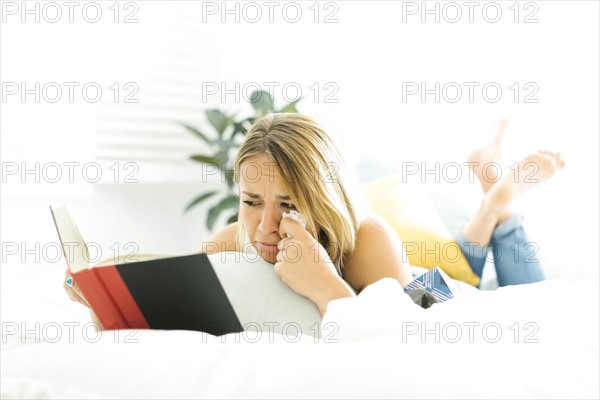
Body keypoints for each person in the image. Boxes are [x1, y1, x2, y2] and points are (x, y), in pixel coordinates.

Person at [64, 113, 565, 316]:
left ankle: (498, 207)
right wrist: (105, 294)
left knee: (525, 295)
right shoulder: (231, 240)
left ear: (322, 203)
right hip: (416, 281)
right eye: (251, 201)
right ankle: (490, 203)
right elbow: (180, 295)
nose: (264, 227)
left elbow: (397, 343)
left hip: (430, 292)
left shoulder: (370, 239)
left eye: (288, 205)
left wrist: (324, 283)